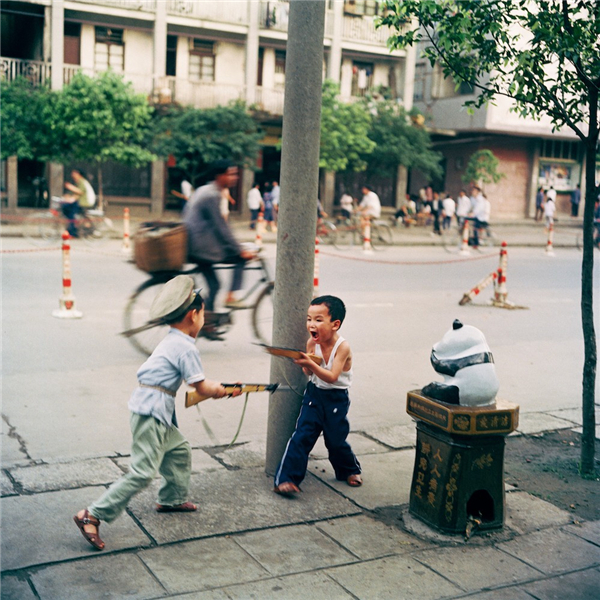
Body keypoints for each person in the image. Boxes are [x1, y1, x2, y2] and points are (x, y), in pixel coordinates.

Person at [73, 277, 240, 551]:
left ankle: (171, 499)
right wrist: (223, 390)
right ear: (193, 315)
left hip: (154, 409)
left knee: (178, 450)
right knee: (142, 473)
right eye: (203, 313)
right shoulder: (186, 346)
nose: (203, 319)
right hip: (151, 412)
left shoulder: (174, 338)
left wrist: (219, 389)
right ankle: (91, 514)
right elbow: (200, 386)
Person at [273, 295, 362, 496]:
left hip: (336, 398)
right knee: (301, 436)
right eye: (309, 319)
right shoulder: (312, 344)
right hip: (314, 394)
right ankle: (286, 479)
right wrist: (307, 366)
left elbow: (331, 377)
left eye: (318, 320)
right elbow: (310, 374)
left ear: (335, 324)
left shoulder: (343, 347)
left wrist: (310, 364)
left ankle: (349, 469)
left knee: (336, 440)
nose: (311, 324)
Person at [183, 160, 255, 319]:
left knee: (214, 285)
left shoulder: (205, 190)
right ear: (220, 176)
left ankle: (206, 320)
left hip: (196, 243)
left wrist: (235, 245)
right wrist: (239, 250)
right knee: (239, 259)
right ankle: (230, 297)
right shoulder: (212, 195)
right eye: (231, 174)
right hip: (201, 246)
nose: (234, 178)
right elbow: (220, 227)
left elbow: (222, 227)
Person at [62, 169, 96, 237]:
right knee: (67, 208)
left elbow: (80, 192)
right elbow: (76, 194)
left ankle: (72, 231)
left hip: (85, 202)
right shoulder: (79, 182)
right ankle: (73, 227)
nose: (72, 175)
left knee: (70, 211)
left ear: (78, 174)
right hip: (82, 201)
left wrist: (70, 187)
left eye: (74, 173)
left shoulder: (81, 181)